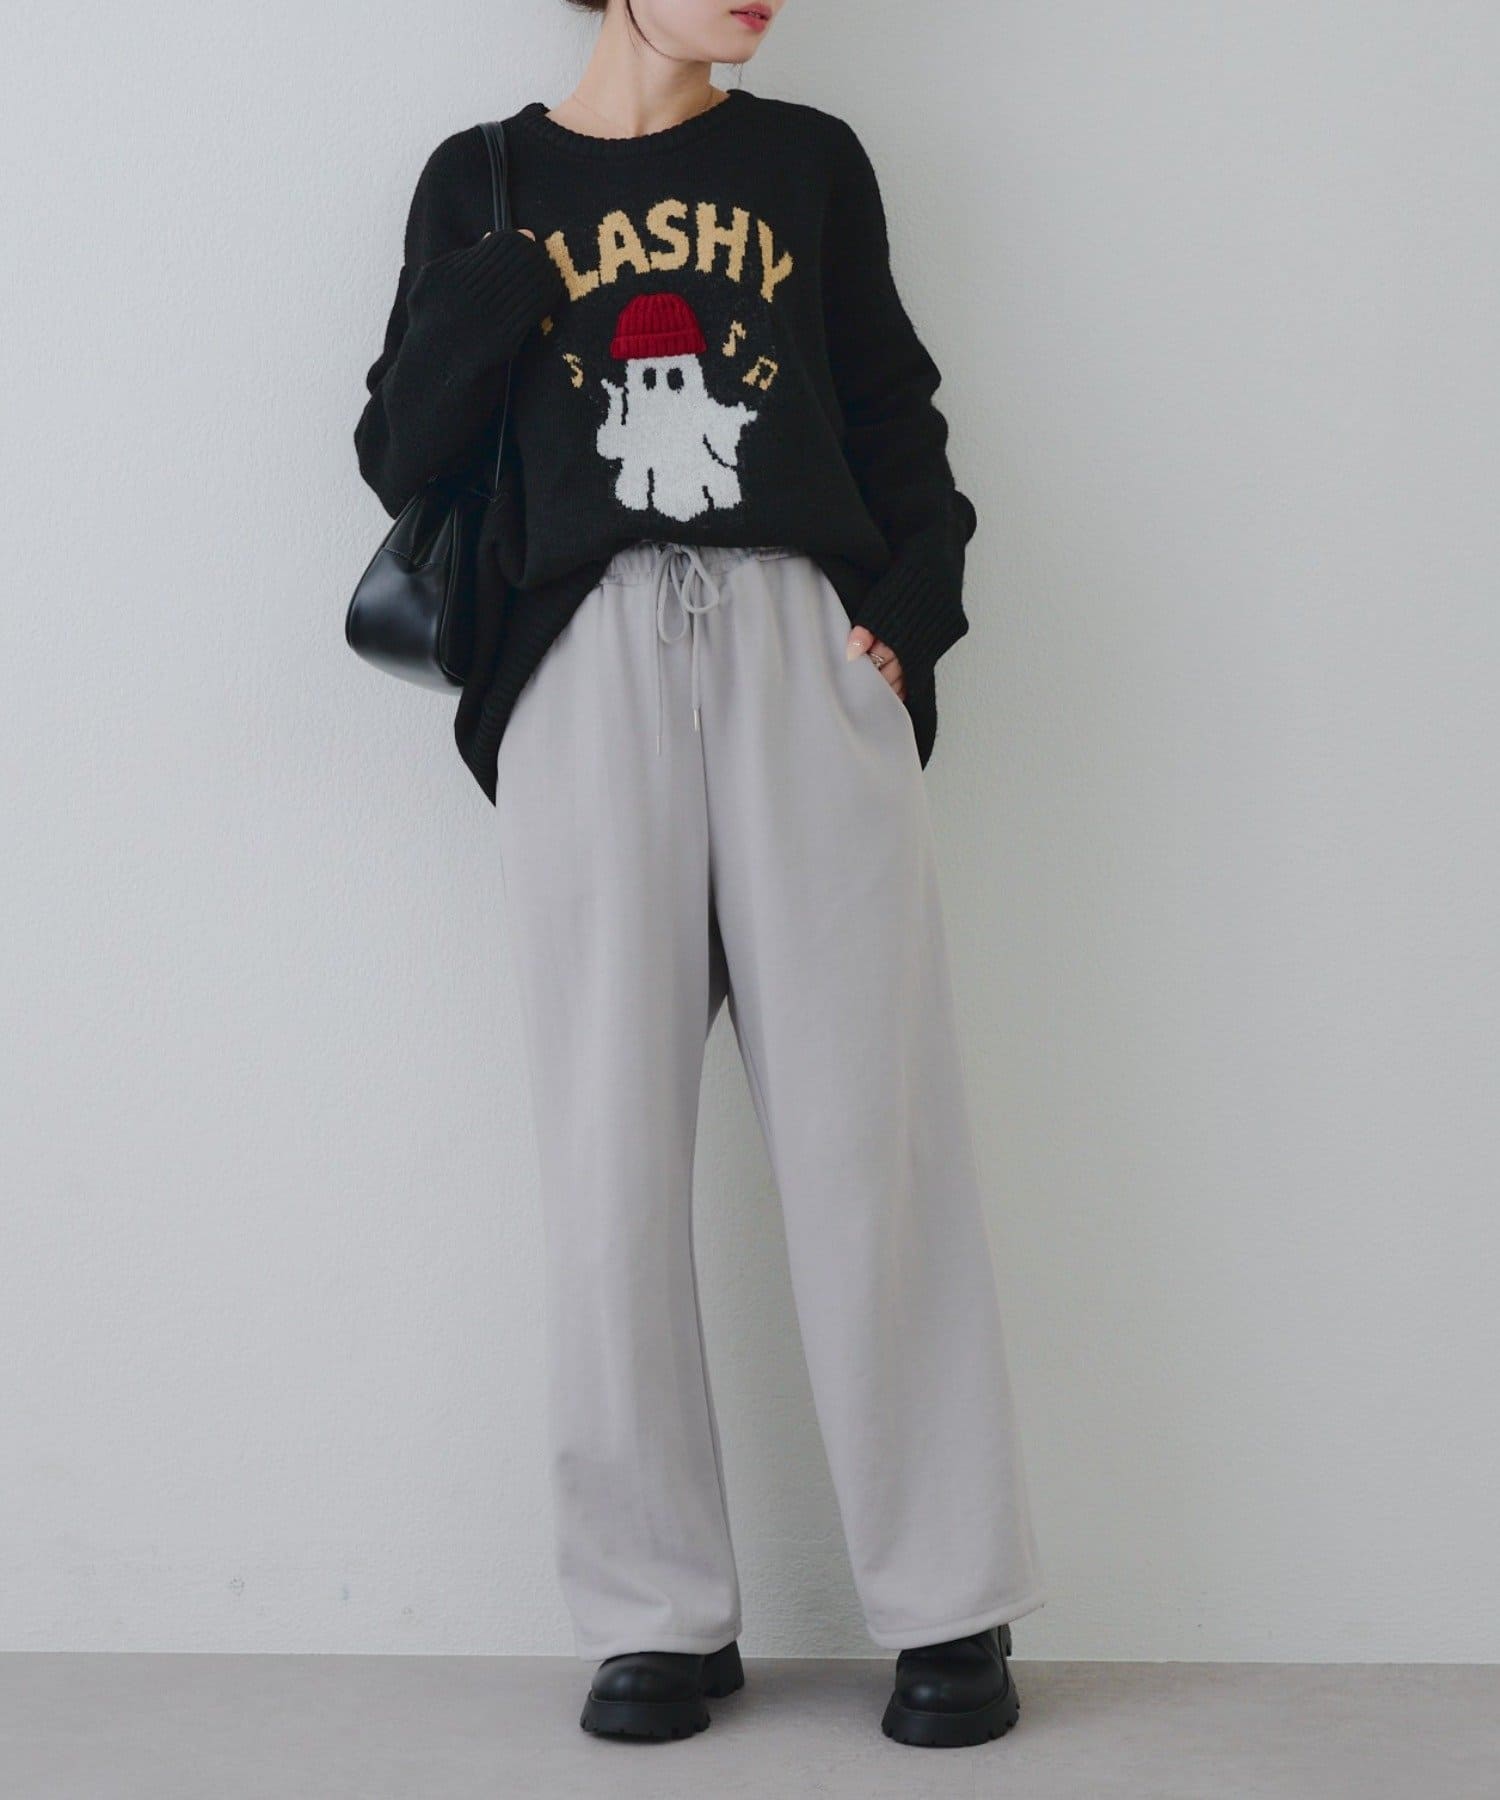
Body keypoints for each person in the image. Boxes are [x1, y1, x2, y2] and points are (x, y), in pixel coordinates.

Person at [353, 0, 1044, 1751]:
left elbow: (890, 408)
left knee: (870, 1138)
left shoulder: (808, 165)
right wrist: (505, 286)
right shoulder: (481, 181)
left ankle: (946, 1600)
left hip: (801, 643)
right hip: (584, 661)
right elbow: (397, 450)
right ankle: (654, 1612)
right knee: (609, 1151)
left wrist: (908, 615)